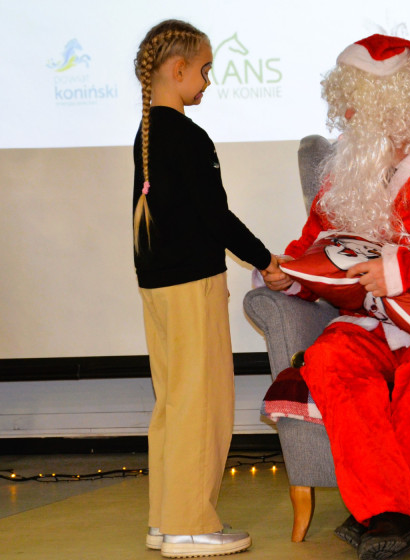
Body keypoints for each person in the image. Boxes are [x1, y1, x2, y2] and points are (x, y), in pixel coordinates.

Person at [263, 35, 410, 560]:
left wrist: (400, 269)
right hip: (369, 326)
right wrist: (291, 278)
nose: (347, 115)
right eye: (345, 102)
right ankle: (390, 515)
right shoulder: (341, 181)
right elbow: (312, 251)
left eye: (360, 103)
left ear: (401, 107)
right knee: (327, 359)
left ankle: (382, 514)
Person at [133, 19, 280, 558]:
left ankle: (165, 519)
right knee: (202, 405)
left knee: (173, 403)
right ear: (177, 71)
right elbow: (214, 216)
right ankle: (191, 524)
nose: (209, 81)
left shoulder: (150, 134)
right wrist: (267, 261)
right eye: (204, 70)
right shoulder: (188, 137)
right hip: (190, 285)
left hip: (158, 286)